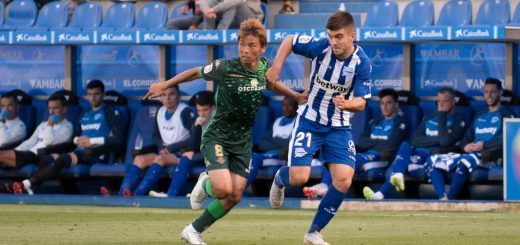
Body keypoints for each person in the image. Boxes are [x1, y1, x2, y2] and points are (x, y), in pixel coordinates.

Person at [144, 18, 307, 244]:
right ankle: (206, 182)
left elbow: (270, 84)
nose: (245, 50)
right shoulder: (226, 67)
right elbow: (195, 72)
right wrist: (164, 85)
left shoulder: (263, 68)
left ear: (262, 48)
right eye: (242, 44)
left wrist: (296, 96)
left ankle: (193, 230)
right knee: (222, 190)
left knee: (235, 195)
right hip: (217, 135)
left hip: (242, 140)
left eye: (251, 45)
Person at [266, 11, 372, 245]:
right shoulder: (321, 47)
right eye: (331, 36)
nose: (334, 41)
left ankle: (313, 232)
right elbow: (290, 41)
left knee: (344, 179)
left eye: (339, 36)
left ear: (352, 36)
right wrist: (276, 68)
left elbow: (362, 102)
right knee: (299, 178)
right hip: (309, 120)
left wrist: (347, 104)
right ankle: (280, 178)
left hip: (338, 126)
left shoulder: (361, 63)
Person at [13, 80, 125, 195]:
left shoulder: (111, 113)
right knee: (47, 159)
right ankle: (63, 192)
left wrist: (91, 141)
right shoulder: (84, 113)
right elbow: (75, 138)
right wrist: (78, 140)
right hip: (79, 152)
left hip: (96, 153)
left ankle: (27, 184)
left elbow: (119, 139)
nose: (93, 98)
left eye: (96, 94)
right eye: (90, 94)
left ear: (103, 95)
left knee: (63, 159)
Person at [363, 87, 467, 200]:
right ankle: (383, 191)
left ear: (453, 102)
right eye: (439, 101)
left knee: (403, 164)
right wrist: (438, 138)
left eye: (445, 101)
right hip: (420, 152)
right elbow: (415, 140)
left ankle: (442, 197)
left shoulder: (459, 119)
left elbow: (445, 142)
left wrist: (442, 116)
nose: (441, 105)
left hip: (435, 154)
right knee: (405, 145)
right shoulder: (430, 116)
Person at [303, 88, 407, 199]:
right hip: (366, 154)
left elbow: (390, 145)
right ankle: (324, 184)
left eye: (389, 103)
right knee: (337, 156)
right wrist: (379, 142)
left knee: (352, 160)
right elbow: (362, 141)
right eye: (382, 103)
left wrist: (372, 143)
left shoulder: (400, 122)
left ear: (396, 105)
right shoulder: (375, 121)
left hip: (382, 158)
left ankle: (329, 188)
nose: (385, 107)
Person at [429, 78, 515, 200]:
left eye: (493, 92)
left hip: (490, 157)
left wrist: (484, 145)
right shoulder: (480, 114)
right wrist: (465, 146)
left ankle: (450, 199)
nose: (489, 95)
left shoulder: (507, 114)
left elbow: (508, 138)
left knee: (466, 160)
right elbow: (466, 137)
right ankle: (442, 197)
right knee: (433, 160)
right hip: (472, 155)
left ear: (500, 93)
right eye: (486, 92)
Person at [104, 86, 195, 196]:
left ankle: (138, 194)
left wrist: (171, 148)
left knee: (160, 158)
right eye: (164, 95)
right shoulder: (160, 111)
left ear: (179, 97)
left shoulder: (185, 111)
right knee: (139, 159)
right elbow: (155, 136)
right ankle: (123, 193)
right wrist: (162, 148)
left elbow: (194, 138)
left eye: (172, 94)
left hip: (184, 153)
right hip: (166, 152)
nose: (168, 98)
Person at [149, 91, 216, 198]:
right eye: (199, 110)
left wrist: (194, 155)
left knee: (188, 157)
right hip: (205, 158)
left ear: (213, 108)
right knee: (185, 158)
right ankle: (171, 195)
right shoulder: (200, 121)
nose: (202, 114)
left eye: (205, 110)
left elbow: (218, 151)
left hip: (219, 159)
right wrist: (197, 128)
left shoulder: (218, 122)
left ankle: (205, 194)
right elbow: (194, 146)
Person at [0, 94, 73, 169]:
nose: (51, 112)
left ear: (64, 109)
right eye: (50, 108)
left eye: (55, 108)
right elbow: (31, 141)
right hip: (29, 153)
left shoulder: (67, 127)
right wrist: (16, 150)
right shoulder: (43, 124)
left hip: (41, 156)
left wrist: (50, 125)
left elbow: (48, 141)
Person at [246, 96, 298, 191]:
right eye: (283, 105)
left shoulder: (298, 122)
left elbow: (290, 145)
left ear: (296, 107)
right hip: (272, 155)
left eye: (289, 105)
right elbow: (263, 143)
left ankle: (240, 190)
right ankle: (240, 190)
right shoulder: (277, 121)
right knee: (251, 157)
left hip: (284, 158)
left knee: (255, 158)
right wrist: (280, 143)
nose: (285, 108)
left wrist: (274, 141)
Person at [199, 0, 263, 30]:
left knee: (233, 4)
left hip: (253, 20)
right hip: (233, 18)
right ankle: (208, 31)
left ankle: (221, 32)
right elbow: (202, 1)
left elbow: (235, 1)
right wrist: (207, 10)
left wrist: (214, 9)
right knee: (212, 2)